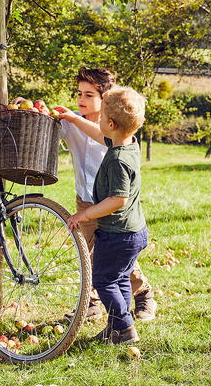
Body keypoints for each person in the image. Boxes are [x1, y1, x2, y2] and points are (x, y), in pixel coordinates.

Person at [56, 68, 157, 323]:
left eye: (89, 95)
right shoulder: (72, 122)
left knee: (116, 256)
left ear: (105, 100)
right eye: (79, 93)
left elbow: (100, 138)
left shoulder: (116, 132)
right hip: (86, 199)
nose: (81, 99)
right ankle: (92, 303)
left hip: (110, 203)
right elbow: (52, 127)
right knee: (90, 252)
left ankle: (143, 293)